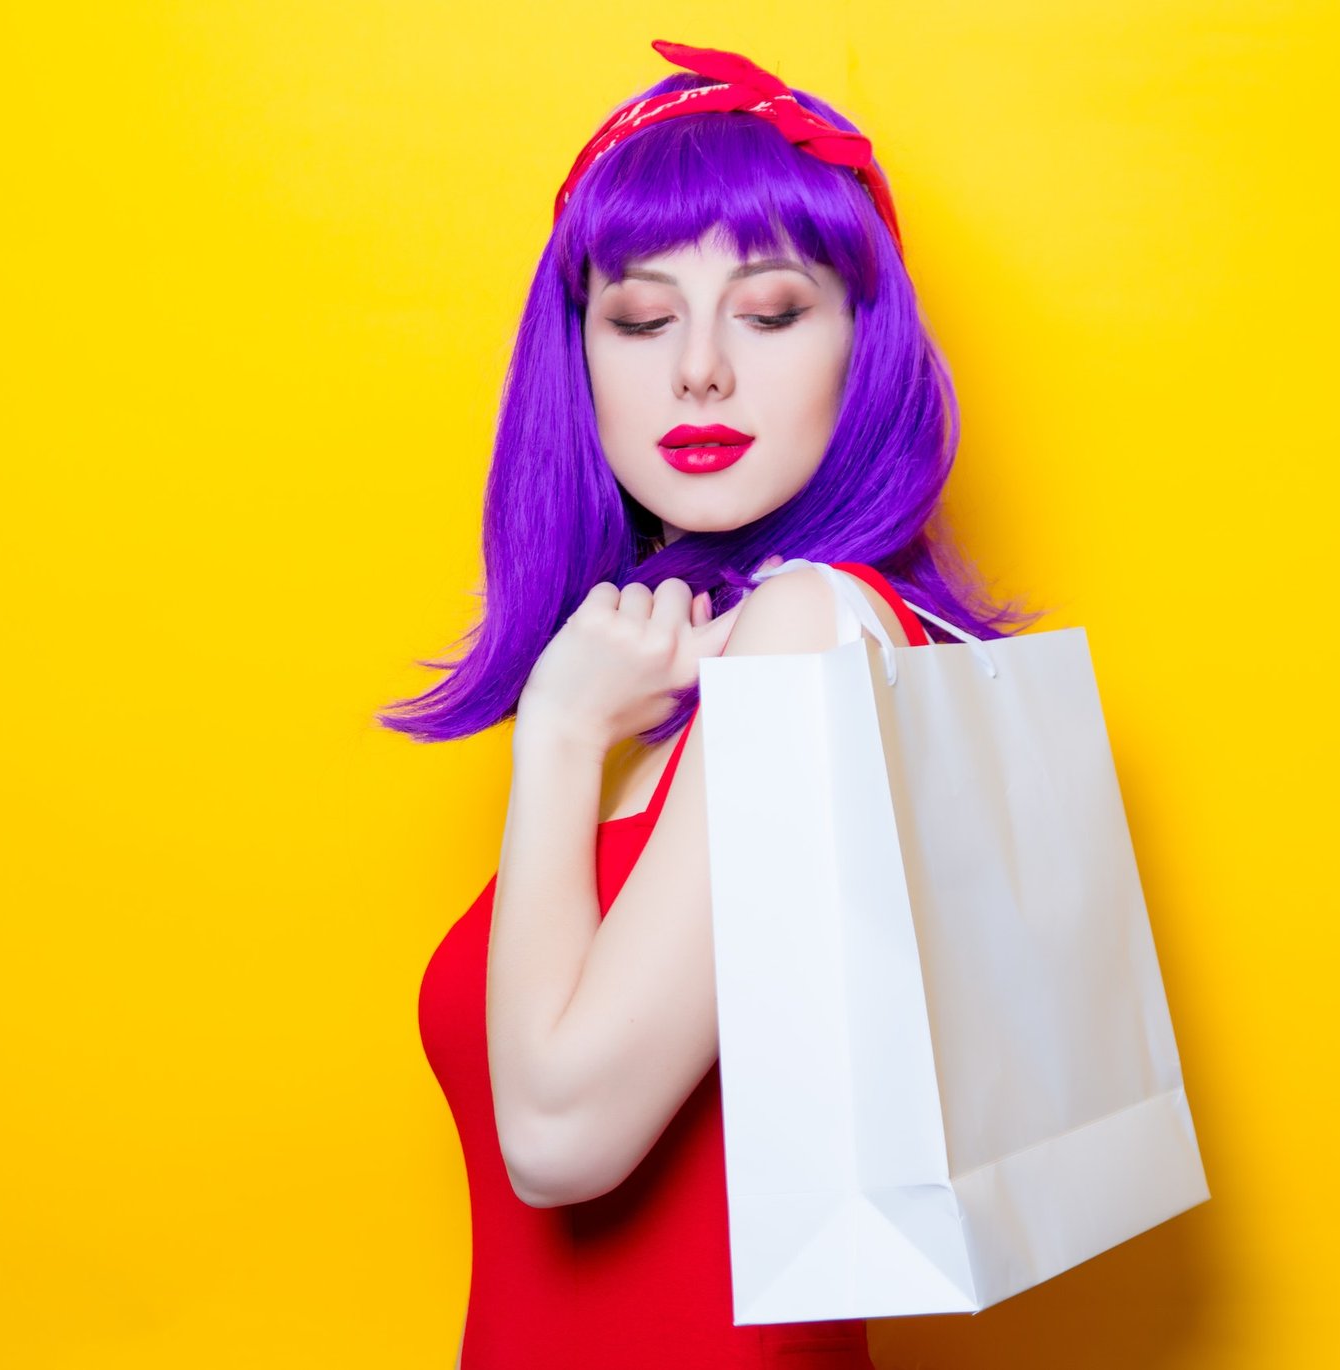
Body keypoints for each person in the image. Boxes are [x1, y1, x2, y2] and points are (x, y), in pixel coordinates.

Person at [382, 39, 1033, 1369]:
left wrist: (560, 733)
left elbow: (560, 1137)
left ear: (864, 346)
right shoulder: (685, 670)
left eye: (772, 311)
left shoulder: (805, 631)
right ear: (580, 357)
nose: (699, 371)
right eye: (640, 319)